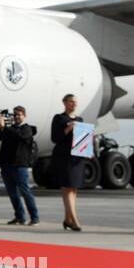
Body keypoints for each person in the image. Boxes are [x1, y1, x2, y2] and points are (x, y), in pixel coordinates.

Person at [0, 106, 39, 225]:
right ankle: (20, 216)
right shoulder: (10, 128)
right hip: (6, 164)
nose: (17, 117)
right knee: (12, 192)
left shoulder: (28, 128)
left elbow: (21, 136)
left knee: (25, 191)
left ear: (24, 116)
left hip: (20, 165)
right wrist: (0, 126)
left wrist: (5, 128)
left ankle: (34, 217)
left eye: (19, 114)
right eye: (15, 115)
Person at [51, 94, 87, 231]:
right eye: (71, 102)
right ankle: (75, 220)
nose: (74, 104)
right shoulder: (59, 118)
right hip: (64, 157)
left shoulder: (80, 119)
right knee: (67, 188)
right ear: (65, 103)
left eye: (75, 102)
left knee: (74, 188)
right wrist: (68, 129)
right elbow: (55, 138)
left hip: (77, 158)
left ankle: (67, 220)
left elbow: (82, 140)